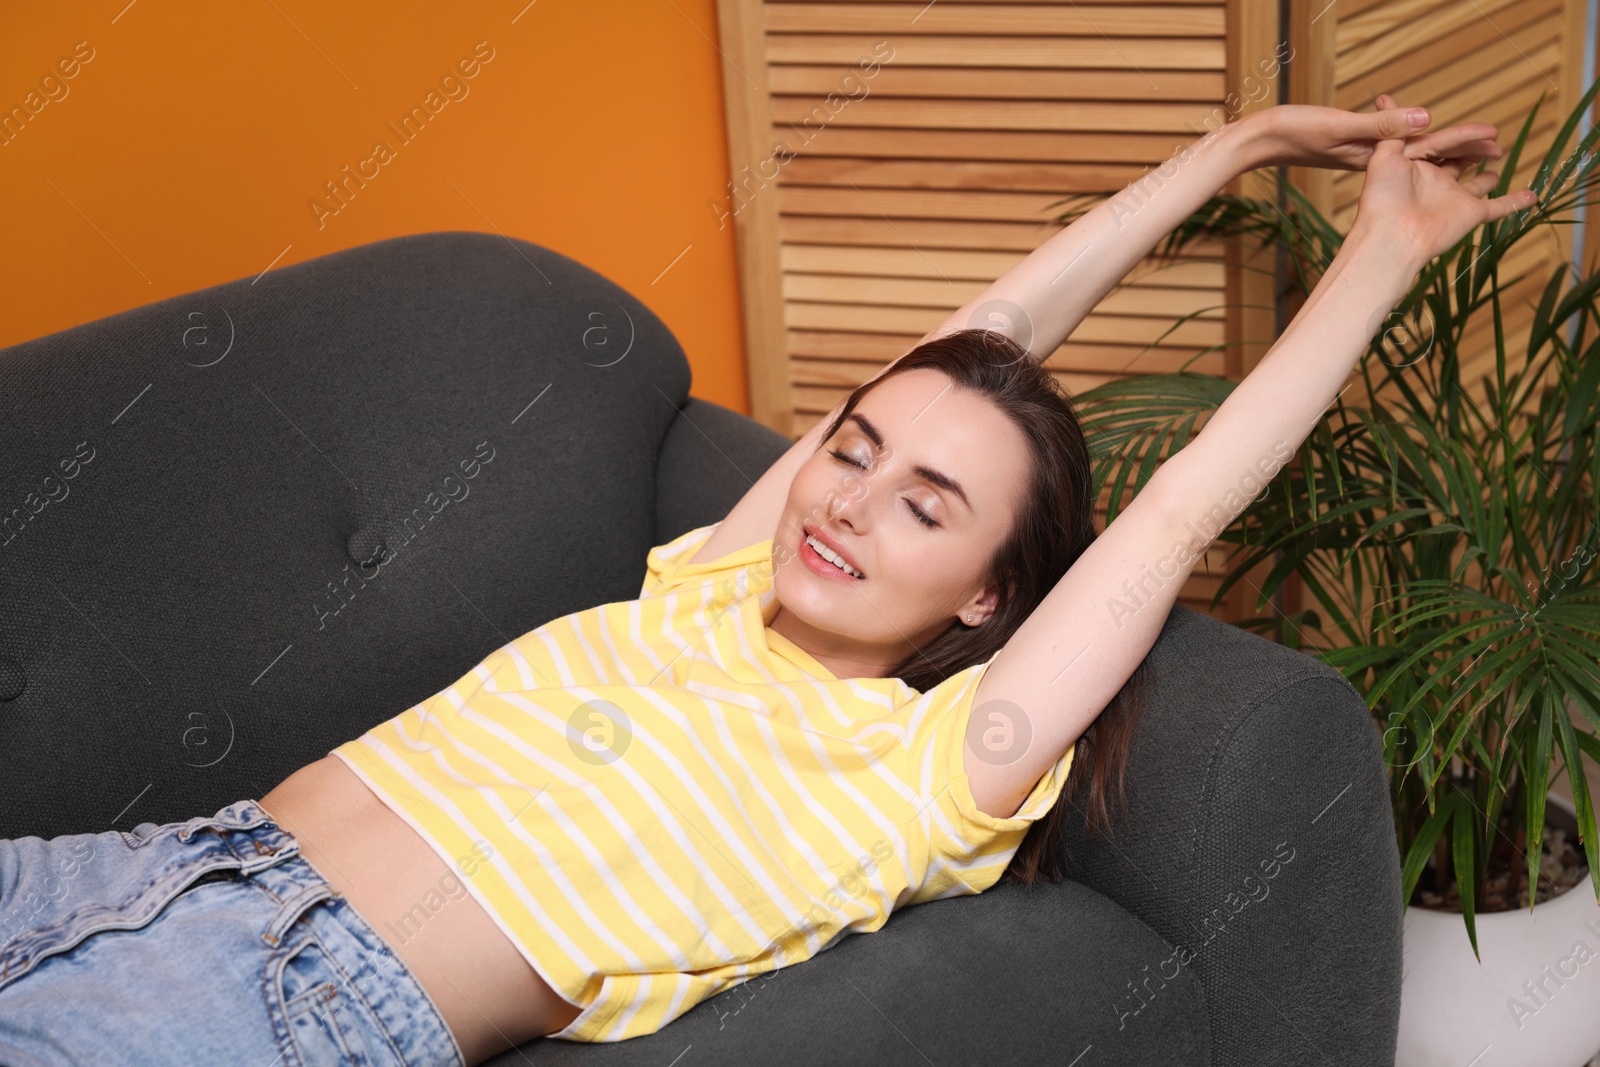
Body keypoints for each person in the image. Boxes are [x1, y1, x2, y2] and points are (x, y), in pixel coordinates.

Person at [0, 96, 1535, 1067]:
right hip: (132, 867)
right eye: (851, 450)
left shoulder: (936, 771)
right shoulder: (712, 590)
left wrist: (1382, 253)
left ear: (992, 600)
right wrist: (1234, 148)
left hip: (281, 1004)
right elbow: (977, 340)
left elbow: (1183, 506)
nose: (851, 502)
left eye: (927, 507)